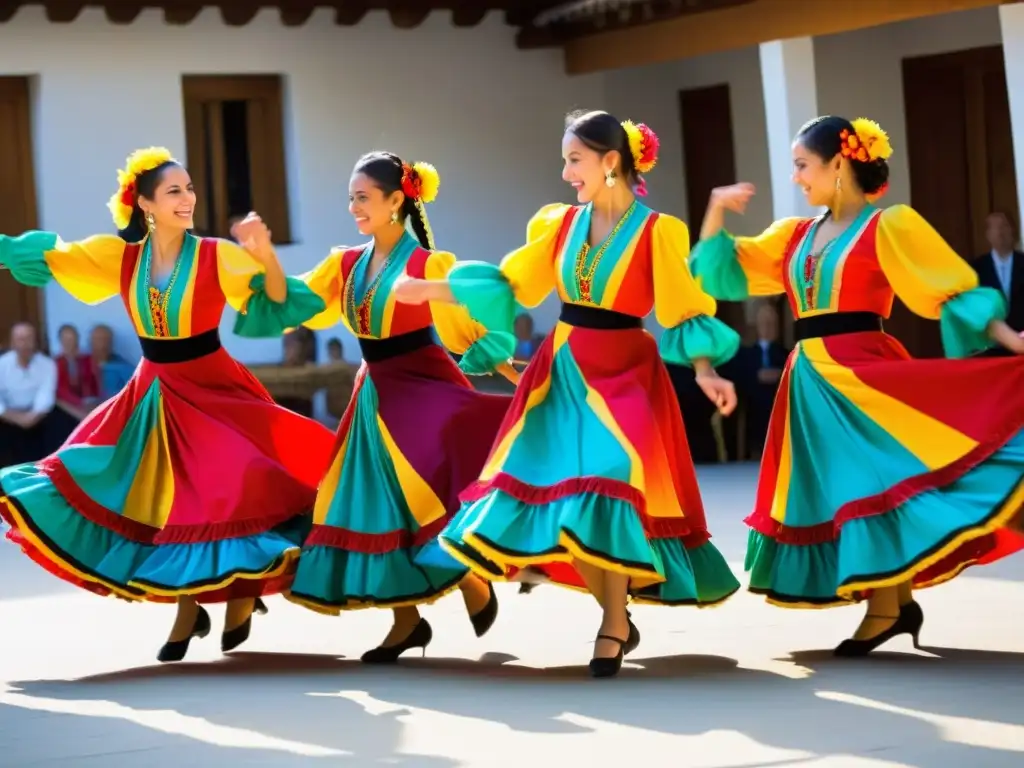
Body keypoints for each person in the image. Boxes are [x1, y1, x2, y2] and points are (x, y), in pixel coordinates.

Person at [394, 110, 741, 678]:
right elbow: (510, 284)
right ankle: (614, 618)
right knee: (571, 493)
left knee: (609, 477)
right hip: (563, 369)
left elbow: (683, 306)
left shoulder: (660, 231)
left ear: (610, 162)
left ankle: (613, 618)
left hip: (627, 369)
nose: (565, 172)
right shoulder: (557, 225)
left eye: (573, 159)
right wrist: (428, 288)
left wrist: (705, 369)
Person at [690, 115, 1024, 656]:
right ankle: (893, 603)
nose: (797, 177)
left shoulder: (888, 225)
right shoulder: (795, 235)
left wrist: (1009, 338)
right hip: (812, 381)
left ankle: (890, 607)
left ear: (839, 163)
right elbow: (720, 269)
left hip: (865, 374)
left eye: (802, 165)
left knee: (880, 484)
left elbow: (947, 287)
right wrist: (715, 207)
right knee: (854, 491)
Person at [0, 147, 335, 662]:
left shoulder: (218, 254)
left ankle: (239, 594)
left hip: (213, 388)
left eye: (190, 188)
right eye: (174, 191)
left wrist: (265, 251)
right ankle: (191, 606)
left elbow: (274, 303)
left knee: (230, 492)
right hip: (152, 391)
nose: (188, 198)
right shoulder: (122, 257)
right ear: (146, 205)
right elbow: (52, 256)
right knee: (145, 496)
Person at [236, 152, 513, 662]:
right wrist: (266, 252)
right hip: (375, 393)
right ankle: (407, 621)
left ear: (395, 201)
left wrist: (515, 374)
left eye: (363, 197)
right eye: (351, 198)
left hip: (422, 386)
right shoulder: (345, 264)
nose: (354, 207)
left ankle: (467, 575)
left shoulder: (427, 265)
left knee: (426, 497)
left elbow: (471, 325)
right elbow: (293, 300)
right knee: (368, 507)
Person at [0, 322, 59, 465]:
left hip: (37, 416)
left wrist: (30, 418)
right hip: (7, 416)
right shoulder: (2, 364)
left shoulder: (47, 364)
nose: (25, 344)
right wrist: (15, 417)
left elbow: (46, 397)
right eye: (20, 339)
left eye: (29, 338)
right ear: (12, 343)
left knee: (56, 429)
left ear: (35, 342)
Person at [971, 211, 1022, 356]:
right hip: (989, 347)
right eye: (994, 227)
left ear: (1013, 229)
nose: (1000, 232)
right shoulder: (976, 268)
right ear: (987, 234)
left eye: (1004, 226)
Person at [54, 323, 101, 423]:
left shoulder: (88, 360)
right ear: (61, 341)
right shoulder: (55, 363)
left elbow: (95, 385)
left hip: (89, 403)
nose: (70, 343)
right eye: (66, 340)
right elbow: (60, 391)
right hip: (66, 406)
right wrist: (78, 405)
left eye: (72, 339)